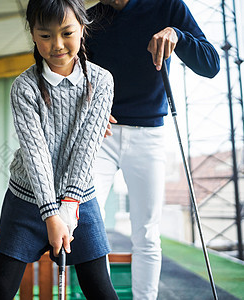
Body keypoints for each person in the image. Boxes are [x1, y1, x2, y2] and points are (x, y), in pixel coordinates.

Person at [0, 0, 119, 299]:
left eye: (67, 32)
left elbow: (86, 147)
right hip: (26, 199)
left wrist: (69, 206)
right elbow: (36, 155)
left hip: (80, 195)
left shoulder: (102, 82)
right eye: (45, 35)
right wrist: (51, 215)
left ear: (83, 28)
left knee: (100, 289)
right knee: (1, 289)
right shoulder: (24, 87)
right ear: (32, 34)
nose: (57, 45)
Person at [85, 0, 220, 299]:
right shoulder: (89, 18)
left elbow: (211, 65)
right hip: (100, 134)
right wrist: (89, 107)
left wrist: (178, 36)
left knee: (146, 232)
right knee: (89, 228)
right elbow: (78, 75)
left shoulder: (168, 6)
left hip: (149, 134)